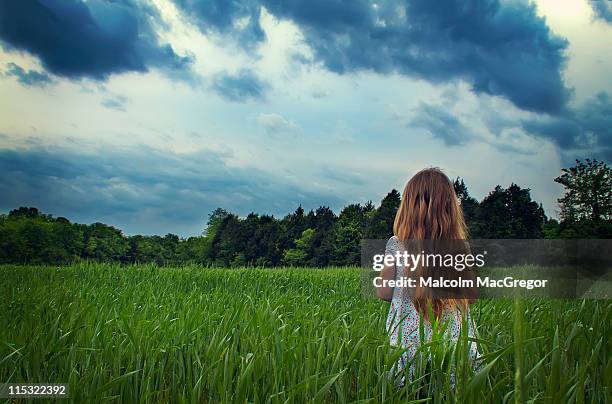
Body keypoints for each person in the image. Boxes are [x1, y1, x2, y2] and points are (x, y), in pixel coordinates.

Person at [375, 167, 479, 384]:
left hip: (408, 347)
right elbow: (470, 296)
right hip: (453, 346)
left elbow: (384, 293)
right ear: (450, 209)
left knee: (409, 394)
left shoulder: (396, 245)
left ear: (408, 206)